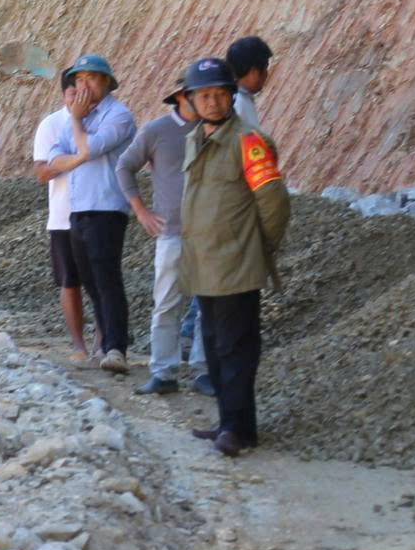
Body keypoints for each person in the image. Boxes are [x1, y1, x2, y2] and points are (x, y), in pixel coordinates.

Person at [176, 56, 292, 457]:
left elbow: (273, 202)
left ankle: (239, 430)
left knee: (236, 349)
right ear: (190, 100)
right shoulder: (196, 139)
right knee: (213, 346)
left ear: (230, 96)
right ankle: (229, 421)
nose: (212, 102)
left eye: (219, 94)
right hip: (203, 265)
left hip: (236, 264)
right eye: (203, 95)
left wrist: (260, 248)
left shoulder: (249, 141)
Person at [32, 53, 138, 371]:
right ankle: (106, 346)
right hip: (77, 209)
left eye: (90, 78)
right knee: (90, 282)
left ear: (107, 82)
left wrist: (77, 133)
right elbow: (53, 162)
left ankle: (116, 347)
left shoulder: (118, 115)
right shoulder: (75, 120)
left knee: (106, 278)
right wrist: (79, 154)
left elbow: (89, 148)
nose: (83, 86)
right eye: (79, 80)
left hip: (106, 205)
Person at [117, 76, 205, 395]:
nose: (205, 99)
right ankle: (163, 372)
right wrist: (140, 211)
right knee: (167, 305)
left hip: (210, 234)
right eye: (198, 93)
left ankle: (202, 371)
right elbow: (124, 167)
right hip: (172, 233)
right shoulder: (156, 131)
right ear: (180, 96)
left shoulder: (214, 130)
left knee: (208, 306)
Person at [225, 35, 273, 129]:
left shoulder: (239, 98)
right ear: (253, 72)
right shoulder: (238, 103)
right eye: (265, 69)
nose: (266, 74)